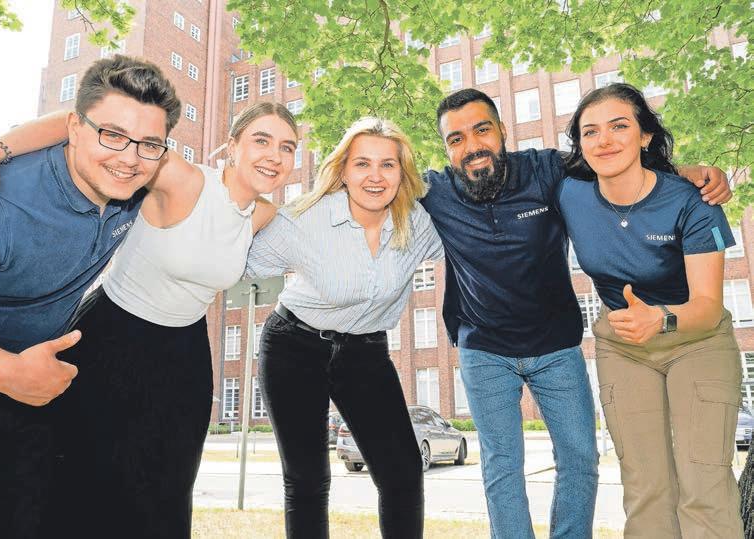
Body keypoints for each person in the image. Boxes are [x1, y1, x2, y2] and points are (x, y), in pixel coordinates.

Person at [0, 100, 297, 539]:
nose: (274, 155)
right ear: (232, 146)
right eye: (261, 140)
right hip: (115, 335)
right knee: (84, 478)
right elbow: (79, 122)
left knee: (167, 487)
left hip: (186, 353)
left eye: (287, 147)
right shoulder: (181, 177)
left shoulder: (264, 214)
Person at [420, 87, 732, 539]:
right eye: (456, 139)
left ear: (502, 131)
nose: (472, 145)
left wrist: (694, 173)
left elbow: (616, 164)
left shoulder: (547, 169)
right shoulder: (434, 191)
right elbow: (377, 184)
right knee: (502, 466)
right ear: (446, 148)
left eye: (481, 130)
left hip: (557, 345)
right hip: (483, 349)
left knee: (580, 460)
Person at [0, 54, 181, 539]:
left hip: (28, 396)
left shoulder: (134, 179)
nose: (129, 157)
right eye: (112, 135)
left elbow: (90, 122)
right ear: (77, 130)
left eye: (148, 144)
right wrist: (7, 373)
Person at [556, 82, 743, 538]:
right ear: (580, 145)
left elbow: (707, 306)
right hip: (624, 346)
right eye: (590, 132)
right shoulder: (570, 193)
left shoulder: (692, 201)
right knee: (646, 489)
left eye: (619, 126)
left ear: (645, 136)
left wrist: (661, 317)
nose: (604, 140)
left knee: (704, 485)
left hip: (696, 339)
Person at [245, 117, 444, 538]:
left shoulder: (418, 224)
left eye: (388, 165)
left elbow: (470, 248)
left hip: (365, 353)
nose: (375, 176)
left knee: (403, 472)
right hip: (293, 347)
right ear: (344, 171)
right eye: (362, 164)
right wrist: (243, 209)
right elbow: (241, 262)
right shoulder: (306, 218)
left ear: (402, 173)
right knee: (307, 480)